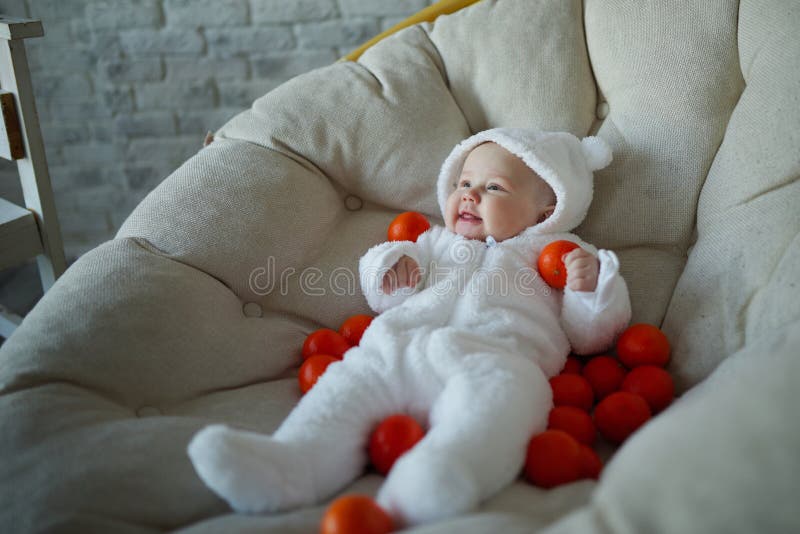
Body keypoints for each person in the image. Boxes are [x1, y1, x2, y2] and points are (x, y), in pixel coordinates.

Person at [188, 128, 632, 527]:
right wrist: (390, 268)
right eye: (463, 184)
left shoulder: (560, 253)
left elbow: (591, 336)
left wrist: (590, 287)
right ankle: (290, 465)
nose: (470, 195)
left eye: (493, 187)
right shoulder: (434, 241)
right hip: (397, 349)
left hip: (494, 359)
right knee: (347, 386)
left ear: (545, 209)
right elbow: (385, 296)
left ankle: (444, 470)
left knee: (508, 401)